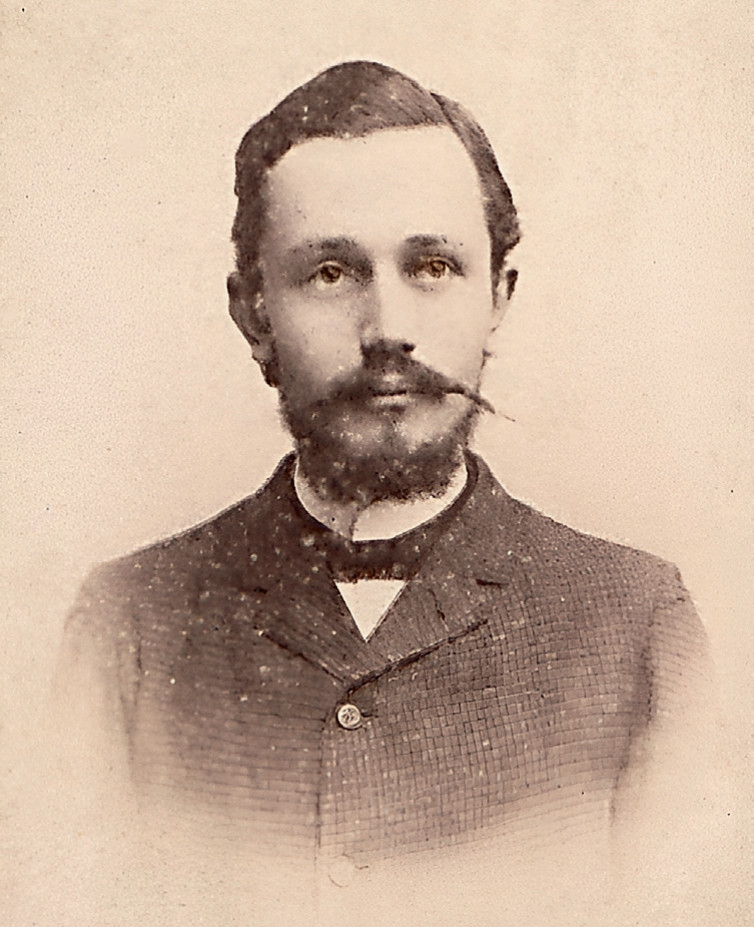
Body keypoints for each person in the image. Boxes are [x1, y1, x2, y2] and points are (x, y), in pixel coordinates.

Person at [55, 61, 715, 921]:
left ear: (497, 296)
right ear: (253, 313)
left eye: (433, 265)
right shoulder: (126, 626)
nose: (390, 330)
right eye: (331, 272)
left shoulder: (637, 623)